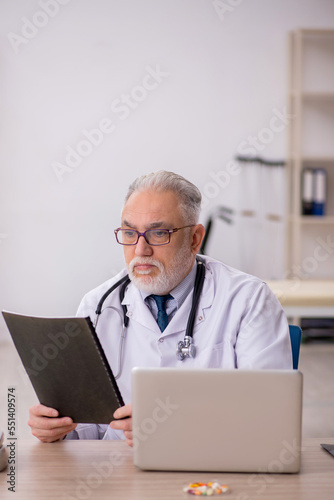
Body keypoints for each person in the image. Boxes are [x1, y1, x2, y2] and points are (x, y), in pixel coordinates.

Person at [28, 170, 292, 445]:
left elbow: (270, 418)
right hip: (115, 477)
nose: (141, 250)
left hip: (210, 471)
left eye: (158, 233)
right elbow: (85, 432)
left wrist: (176, 425)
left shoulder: (248, 300)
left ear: (194, 238)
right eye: (130, 233)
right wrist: (58, 428)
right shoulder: (97, 306)